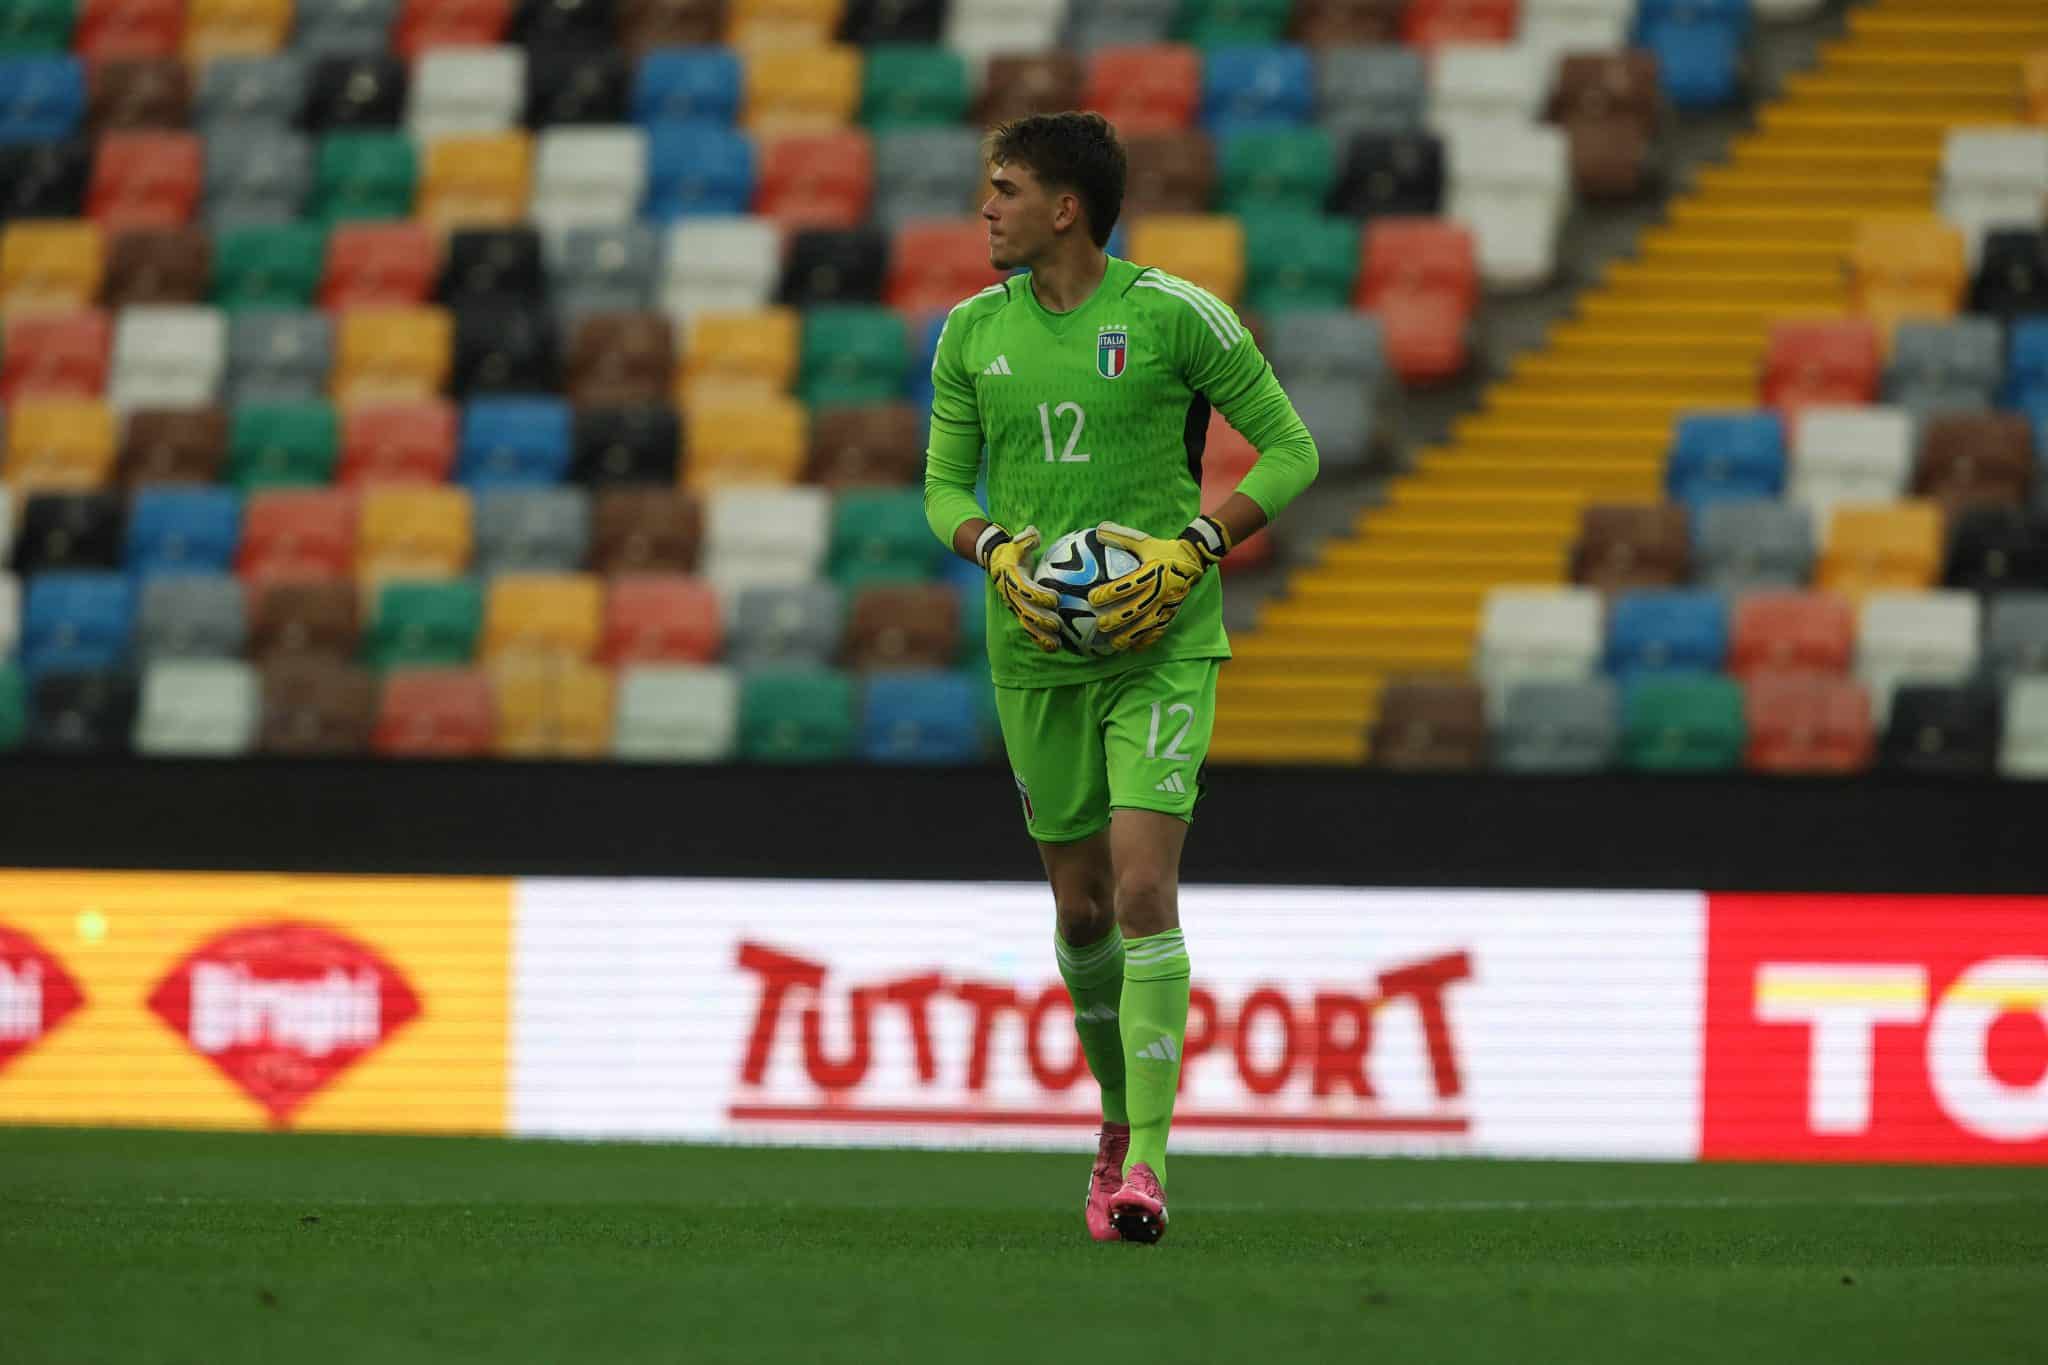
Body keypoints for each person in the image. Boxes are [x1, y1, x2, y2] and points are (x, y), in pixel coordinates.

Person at [921, 111, 1319, 1244]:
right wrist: (995, 550)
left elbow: (1290, 450)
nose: (982, 207)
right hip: (1035, 646)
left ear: (1064, 207)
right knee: (1080, 902)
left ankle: (1142, 1165)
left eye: (1001, 188)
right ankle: (1111, 1117)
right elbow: (943, 490)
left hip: (1162, 644)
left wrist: (1195, 545)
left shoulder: (1174, 318)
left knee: (1144, 890)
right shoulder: (966, 337)